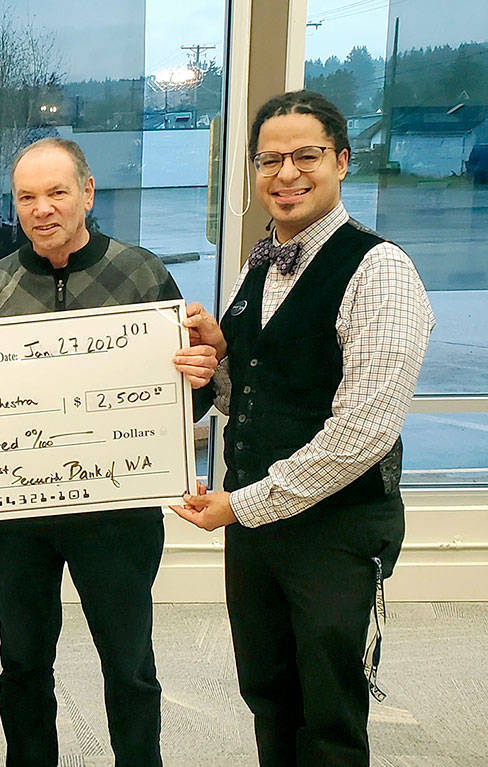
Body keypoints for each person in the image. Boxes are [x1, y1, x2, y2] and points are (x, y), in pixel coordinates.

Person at [174, 90, 434, 766]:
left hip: (336, 530)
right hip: (258, 528)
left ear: (342, 161)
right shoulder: (257, 263)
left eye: (305, 156)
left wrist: (241, 504)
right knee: (268, 691)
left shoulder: (381, 270)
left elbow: (363, 432)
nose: (285, 173)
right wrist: (215, 356)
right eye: (269, 159)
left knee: (329, 711)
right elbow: (247, 394)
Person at [0, 137, 219, 767]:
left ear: (88, 193)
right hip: (21, 517)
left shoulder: (143, 274)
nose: (42, 208)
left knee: (128, 665)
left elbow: (184, 409)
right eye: (27, 197)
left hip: (118, 514)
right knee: (21, 663)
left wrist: (201, 381)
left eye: (57, 193)